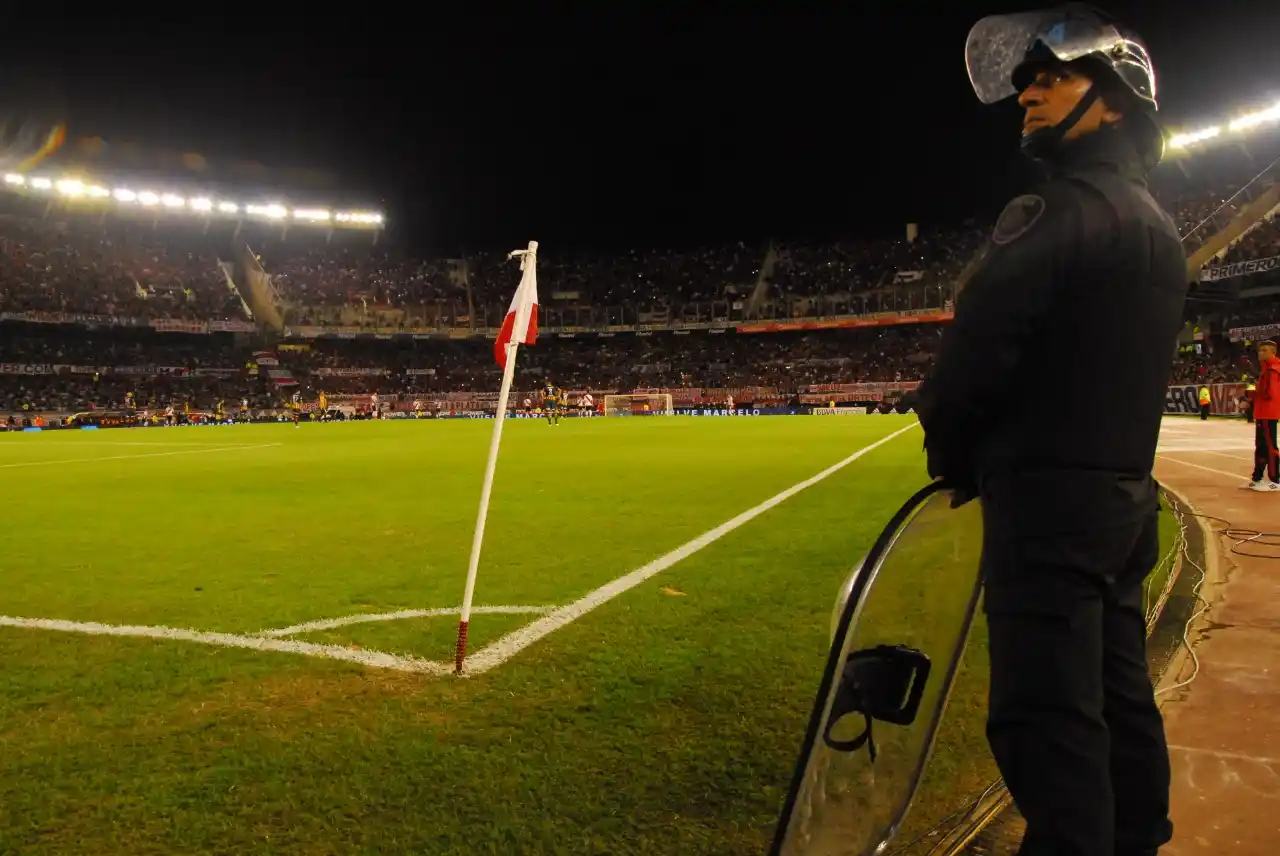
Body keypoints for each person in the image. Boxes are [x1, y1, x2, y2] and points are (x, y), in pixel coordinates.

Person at [917, 6, 1186, 855]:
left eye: (1049, 77)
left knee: (1048, 723)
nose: (1027, 93)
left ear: (1109, 101)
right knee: (1118, 699)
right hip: (1122, 506)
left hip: (1046, 516)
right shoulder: (1154, 224)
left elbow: (975, 349)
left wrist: (951, 451)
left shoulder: (1057, 211)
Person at [1248, 339, 1279, 492]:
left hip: (1268, 413)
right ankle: (1257, 478)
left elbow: (1269, 394)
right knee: (1261, 446)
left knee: (1269, 446)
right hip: (1263, 413)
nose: (1261, 353)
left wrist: (1249, 394)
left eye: (1265, 350)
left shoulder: (1272, 370)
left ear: (1273, 352)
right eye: (1260, 350)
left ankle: (1276, 480)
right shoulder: (1266, 369)